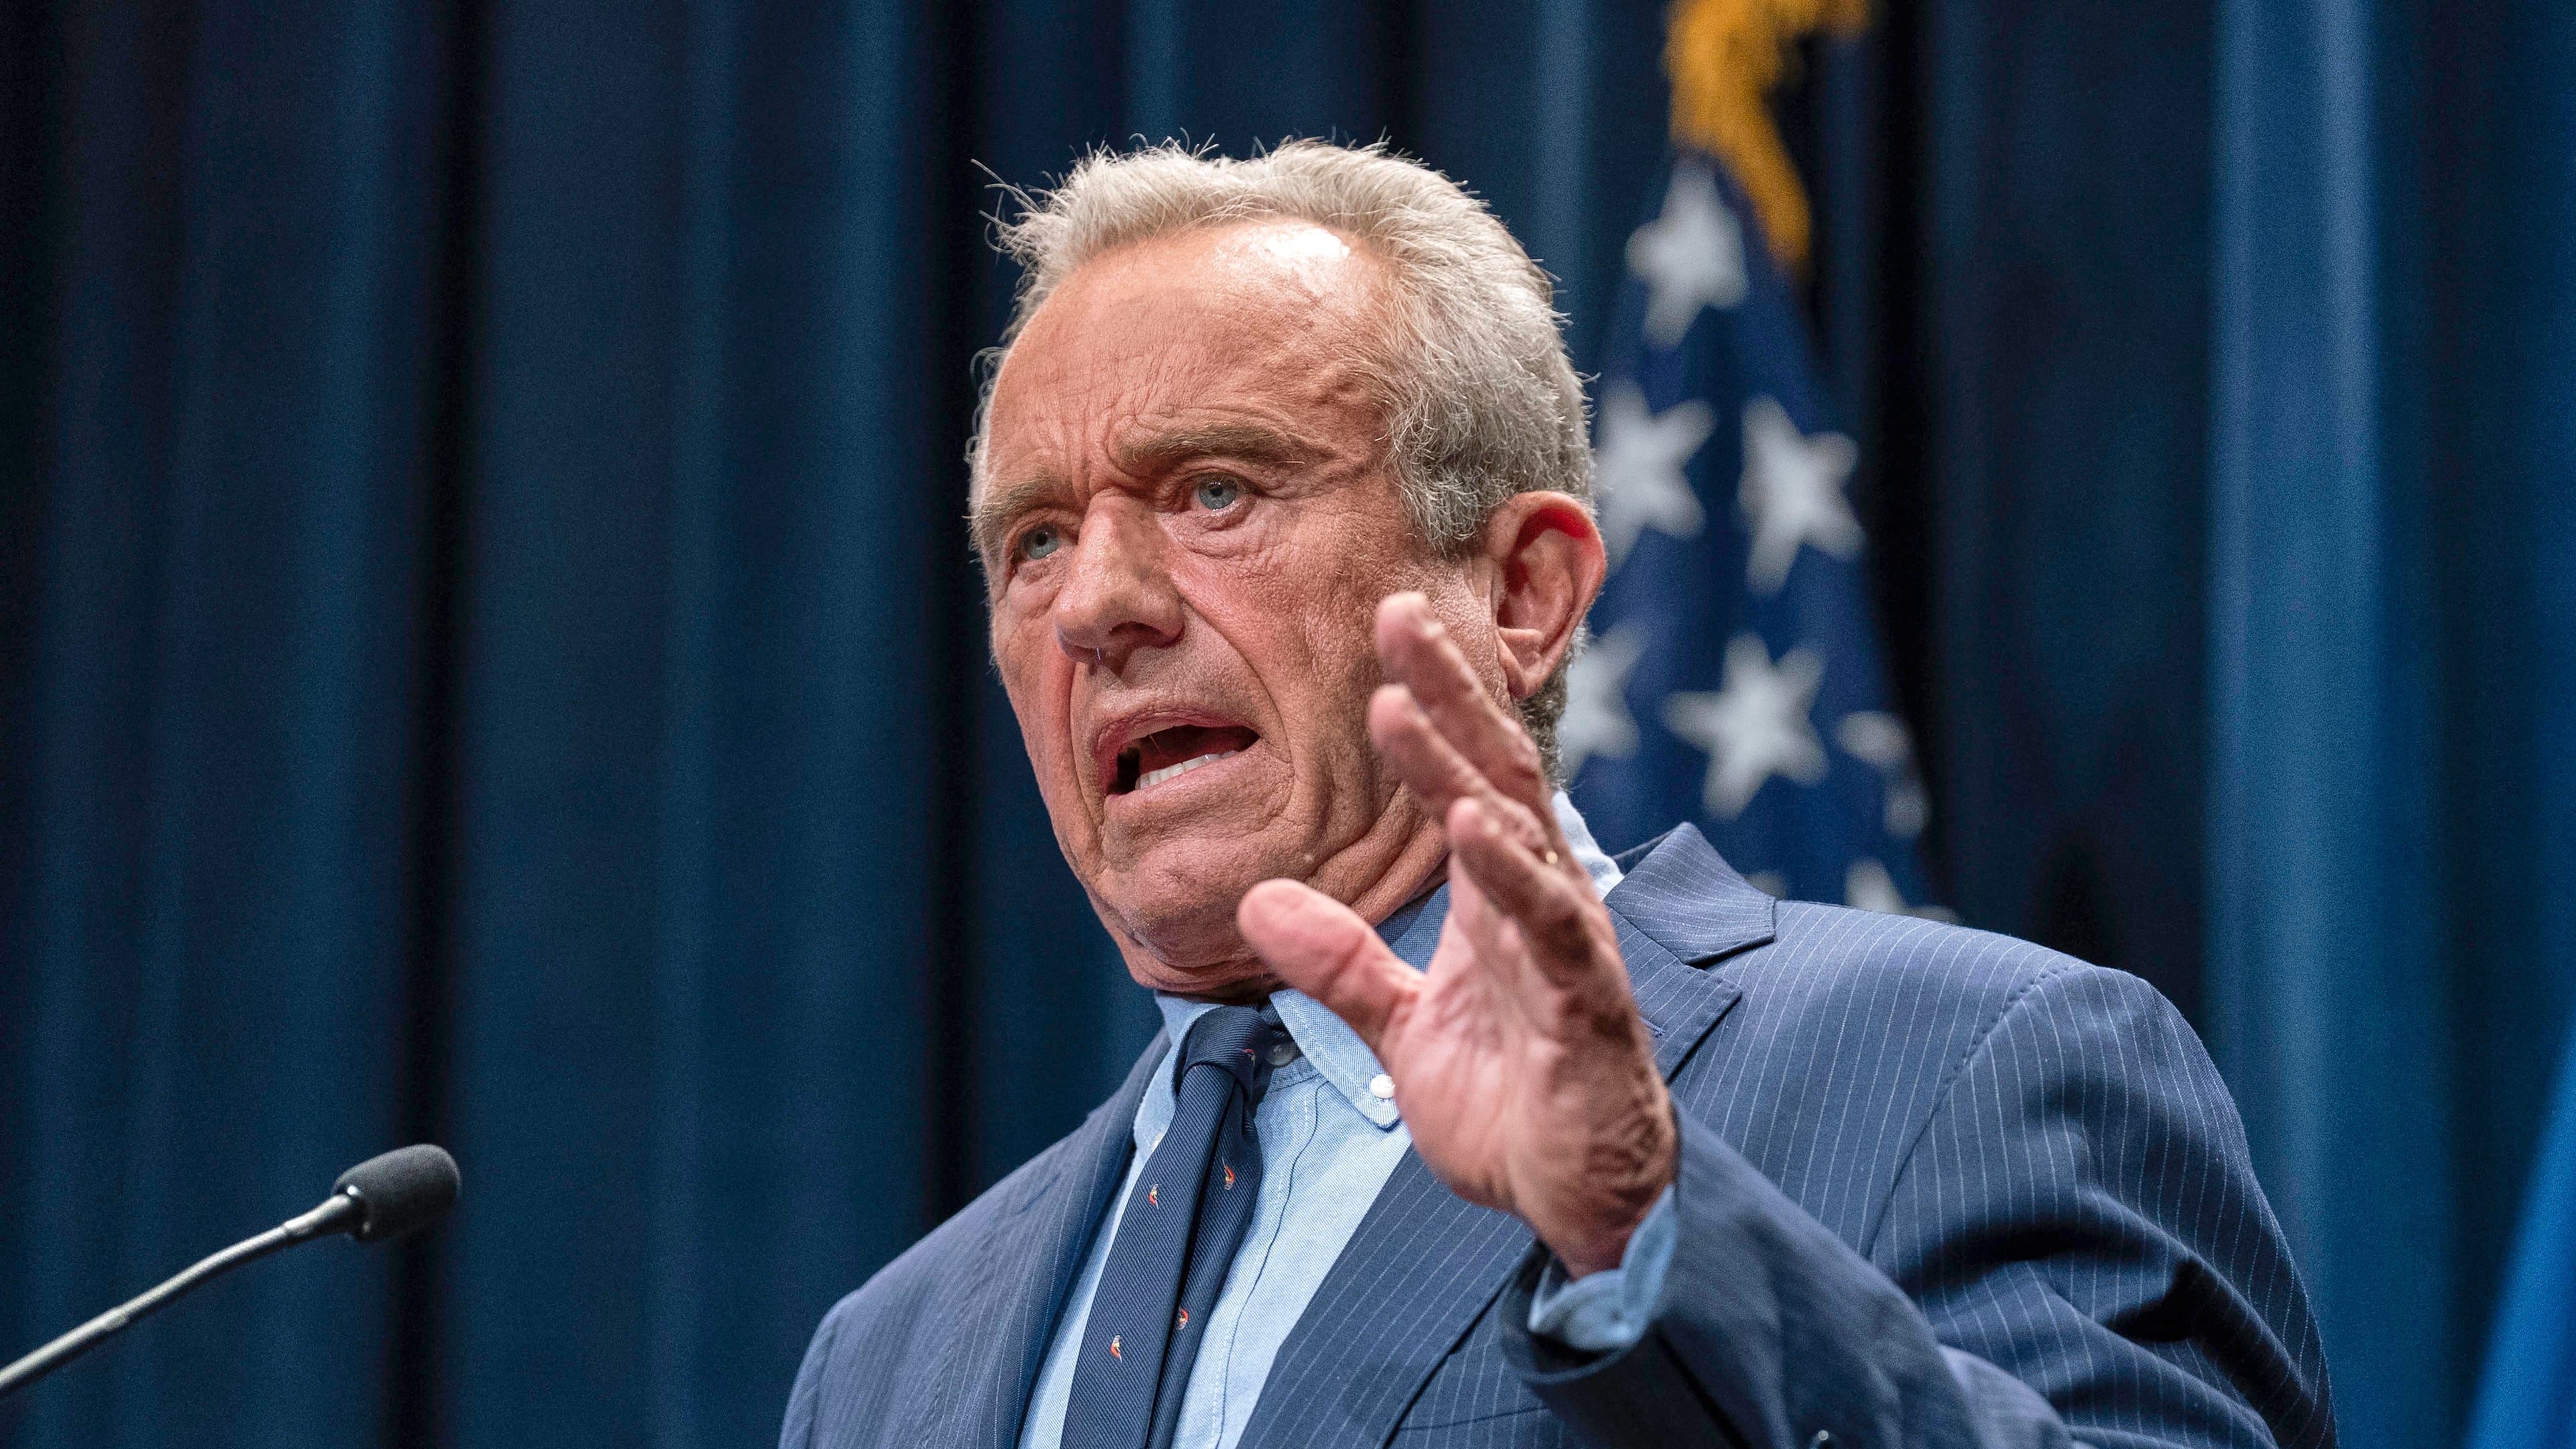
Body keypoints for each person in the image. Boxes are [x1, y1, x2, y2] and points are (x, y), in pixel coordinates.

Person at [780, 141, 2332, 1449]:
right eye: (1034, 539)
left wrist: (1649, 1230)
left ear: (1523, 590)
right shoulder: (888, 1357)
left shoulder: (1971, 1067)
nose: (1093, 605)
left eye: (1215, 492)